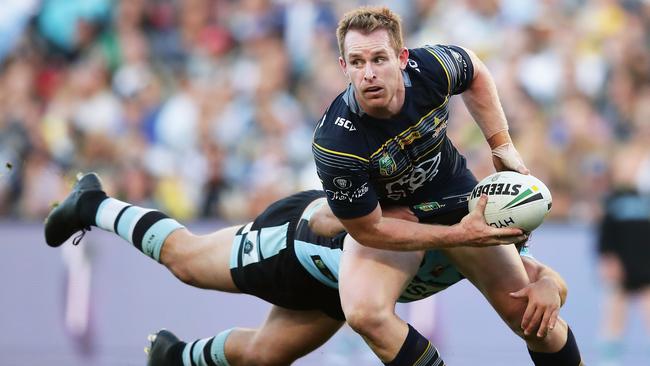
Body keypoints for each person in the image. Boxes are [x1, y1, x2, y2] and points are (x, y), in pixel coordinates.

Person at [44, 172, 563, 366]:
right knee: (186, 262)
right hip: (297, 245)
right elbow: (323, 215)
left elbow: (542, 277)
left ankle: (176, 358)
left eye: (515, 240)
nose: (512, 246)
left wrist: (548, 290)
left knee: (265, 356)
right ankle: (94, 204)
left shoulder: (488, 244)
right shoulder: (437, 214)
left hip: (337, 293)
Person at [312, 6, 582, 366]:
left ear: (402, 58)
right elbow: (370, 230)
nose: (370, 73)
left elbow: (475, 70)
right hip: (394, 215)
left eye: (379, 58)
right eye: (357, 62)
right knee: (364, 313)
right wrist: (459, 236)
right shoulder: (336, 141)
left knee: (530, 315)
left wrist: (502, 146)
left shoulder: (432, 69)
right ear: (344, 67)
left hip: (452, 197)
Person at [596, 140, 650, 365]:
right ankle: (610, 353)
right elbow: (605, 236)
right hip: (621, 264)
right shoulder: (612, 201)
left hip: (645, 264)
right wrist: (608, 260)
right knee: (616, 306)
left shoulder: (645, 198)